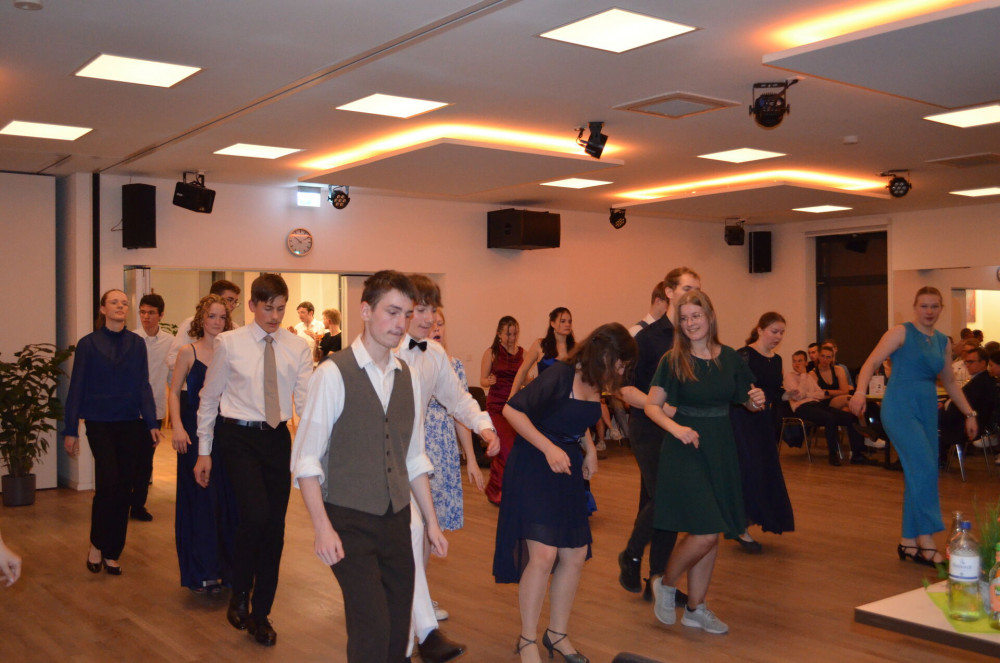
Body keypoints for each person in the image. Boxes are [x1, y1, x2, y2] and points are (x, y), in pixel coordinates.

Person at [290, 270, 447, 663]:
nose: (401, 324)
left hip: (397, 520)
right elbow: (306, 459)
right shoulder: (333, 374)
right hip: (349, 520)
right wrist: (322, 528)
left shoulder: (408, 376)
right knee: (372, 627)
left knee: (398, 630)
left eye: (406, 315)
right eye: (392, 312)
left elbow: (413, 456)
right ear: (365, 311)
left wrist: (431, 522)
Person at [494, 323, 637, 663]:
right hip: (535, 464)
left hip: (566, 467)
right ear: (605, 354)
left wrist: (588, 450)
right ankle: (527, 639)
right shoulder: (560, 374)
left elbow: (572, 418)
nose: (620, 371)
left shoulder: (595, 380)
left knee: (574, 554)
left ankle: (557, 634)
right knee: (543, 555)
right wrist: (548, 448)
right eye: (620, 364)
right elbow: (512, 410)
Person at [194, 273, 312, 646]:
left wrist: (315, 451)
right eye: (268, 308)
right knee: (257, 514)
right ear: (252, 305)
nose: (275, 316)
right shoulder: (229, 343)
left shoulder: (298, 347)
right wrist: (204, 451)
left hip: (276, 438)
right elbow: (209, 397)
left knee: (274, 530)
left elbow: (306, 402)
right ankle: (240, 590)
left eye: (280, 309)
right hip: (238, 437)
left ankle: (261, 615)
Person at [644, 290, 765, 635]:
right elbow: (652, 406)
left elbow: (748, 401)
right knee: (706, 531)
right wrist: (677, 428)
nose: (690, 323)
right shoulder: (673, 360)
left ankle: (696, 608)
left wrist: (756, 400)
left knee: (711, 531)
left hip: (720, 448)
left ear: (709, 317)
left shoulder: (730, 358)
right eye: (684, 318)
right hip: (685, 448)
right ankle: (666, 584)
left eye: (695, 316)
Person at [397, 275, 498, 663]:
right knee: (411, 535)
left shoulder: (434, 355)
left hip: (412, 459)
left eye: (432, 311)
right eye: (419, 310)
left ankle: (416, 639)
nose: (427, 319)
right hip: (377, 463)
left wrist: (483, 427)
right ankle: (419, 637)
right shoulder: (382, 352)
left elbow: (458, 400)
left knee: (413, 537)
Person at [849, 286, 978, 566]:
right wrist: (859, 392)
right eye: (924, 306)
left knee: (919, 472)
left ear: (941, 308)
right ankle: (926, 538)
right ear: (915, 308)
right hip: (899, 406)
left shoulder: (942, 341)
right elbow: (871, 362)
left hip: (926, 408)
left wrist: (969, 413)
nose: (929, 311)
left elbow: (950, 381)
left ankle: (908, 542)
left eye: (934, 306)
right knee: (925, 467)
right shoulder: (901, 332)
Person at [63, 289, 160, 576]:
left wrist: (152, 423)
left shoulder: (136, 344)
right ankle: (97, 544)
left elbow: (143, 385)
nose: (120, 306)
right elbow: (77, 387)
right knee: (108, 483)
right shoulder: (88, 344)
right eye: (114, 302)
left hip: (130, 423)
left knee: (124, 487)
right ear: (103, 309)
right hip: (99, 422)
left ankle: (112, 552)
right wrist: (71, 429)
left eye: (124, 303)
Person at [617, 267, 700, 601]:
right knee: (666, 498)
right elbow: (624, 389)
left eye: (697, 289)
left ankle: (658, 582)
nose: (693, 294)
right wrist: (660, 407)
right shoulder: (647, 338)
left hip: (681, 431)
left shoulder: (694, 336)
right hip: (649, 429)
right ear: (668, 291)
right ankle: (632, 555)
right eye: (687, 288)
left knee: (661, 504)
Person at [168, 294, 237, 593]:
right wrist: (177, 428)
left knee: (226, 501)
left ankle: (228, 569)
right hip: (193, 433)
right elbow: (174, 392)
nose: (217, 322)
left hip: (225, 433)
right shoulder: (188, 351)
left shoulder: (231, 352)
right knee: (200, 501)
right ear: (201, 319)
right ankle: (202, 570)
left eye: (222, 317)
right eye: (212, 316)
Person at [729, 312, 795, 552]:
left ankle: (754, 521)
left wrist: (787, 395)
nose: (778, 336)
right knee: (748, 471)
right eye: (774, 331)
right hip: (743, 421)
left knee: (765, 471)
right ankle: (740, 527)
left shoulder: (776, 360)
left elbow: (772, 392)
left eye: (782, 332)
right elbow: (735, 389)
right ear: (760, 330)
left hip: (764, 421)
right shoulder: (744, 355)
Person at [784, 351, 873, 466]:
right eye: (794, 361)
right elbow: (798, 396)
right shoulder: (789, 376)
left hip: (817, 404)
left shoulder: (809, 377)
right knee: (829, 418)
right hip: (802, 407)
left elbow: (821, 394)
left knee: (851, 417)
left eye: (800, 361)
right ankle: (833, 454)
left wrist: (808, 393)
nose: (796, 364)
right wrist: (803, 375)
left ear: (806, 363)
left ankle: (857, 454)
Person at [130, 292, 172, 522]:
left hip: (154, 411)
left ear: (161, 315)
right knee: (128, 459)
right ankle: (122, 503)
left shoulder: (170, 342)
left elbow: (173, 376)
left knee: (145, 461)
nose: (146, 317)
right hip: (129, 410)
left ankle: (138, 506)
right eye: (143, 312)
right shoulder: (131, 339)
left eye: (151, 313)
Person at [482, 315, 525, 506]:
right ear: (499, 334)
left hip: (515, 406)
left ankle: (511, 490)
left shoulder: (522, 353)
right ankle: (497, 491)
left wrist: (529, 380)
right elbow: (482, 380)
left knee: (518, 449)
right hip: (496, 407)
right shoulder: (491, 353)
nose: (512, 338)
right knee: (506, 448)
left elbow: (525, 379)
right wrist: (489, 381)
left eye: (515, 334)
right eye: (508, 334)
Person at [166, 279, 241, 378]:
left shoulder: (235, 328)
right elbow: (172, 359)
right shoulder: (190, 323)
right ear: (215, 298)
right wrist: (197, 370)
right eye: (230, 300)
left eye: (235, 302)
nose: (233, 306)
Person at [938, 346, 996, 466]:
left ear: (983, 363)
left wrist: (940, 412)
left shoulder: (981, 383)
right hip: (958, 419)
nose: (967, 365)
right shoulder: (978, 380)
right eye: (966, 362)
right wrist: (944, 404)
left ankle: (935, 459)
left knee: (922, 421)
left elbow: (961, 410)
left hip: (962, 425)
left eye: (971, 362)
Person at [509, 307, 575, 398]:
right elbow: (522, 371)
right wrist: (511, 397)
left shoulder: (576, 348)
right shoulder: (540, 345)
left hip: (567, 398)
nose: (567, 324)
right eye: (563, 321)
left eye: (569, 321)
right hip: (543, 398)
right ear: (552, 323)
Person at [811, 344, 852, 411]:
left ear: (832, 358)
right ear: (818, 356)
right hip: (823, 403)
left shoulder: (838, 369)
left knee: (846, 409)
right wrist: (838, 392)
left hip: (840, 399)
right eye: (822, 356)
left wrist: (827, 392)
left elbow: (845, 391)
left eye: (828, 357)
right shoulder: (813, 373)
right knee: (850, 399)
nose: (825, 359)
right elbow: (817, 395)